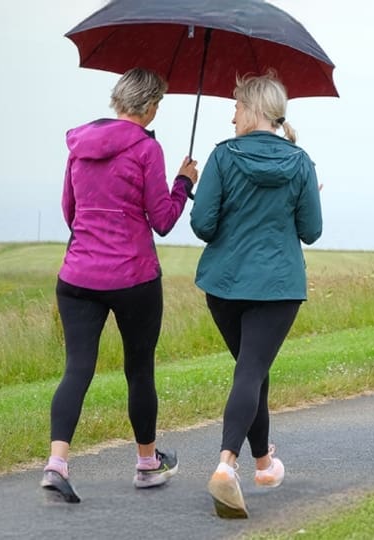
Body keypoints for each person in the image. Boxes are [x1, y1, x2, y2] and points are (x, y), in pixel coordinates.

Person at [41, 68, 198, 503]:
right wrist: (184, 183)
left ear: (118, 101)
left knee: (77, 369)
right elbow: (163, 220)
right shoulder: (148, 148)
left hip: (77, 277)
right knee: (138, 369)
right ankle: (148, 464)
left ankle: (57, 464)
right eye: (158, 104)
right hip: (134, 278)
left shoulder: (79, 144)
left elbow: (70, 211)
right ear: (149, 106)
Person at [189, 73, 323, 518]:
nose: (231, 115)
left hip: (225, 286)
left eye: (235, 106)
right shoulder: (301, 162)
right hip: (278, 287)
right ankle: (227, 467)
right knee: (251, 372)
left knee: (252, 370)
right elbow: (311, 230)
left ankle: (264, 463)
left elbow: (203, 225)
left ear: (252, 110)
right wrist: (305, 198)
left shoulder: (222, 158)